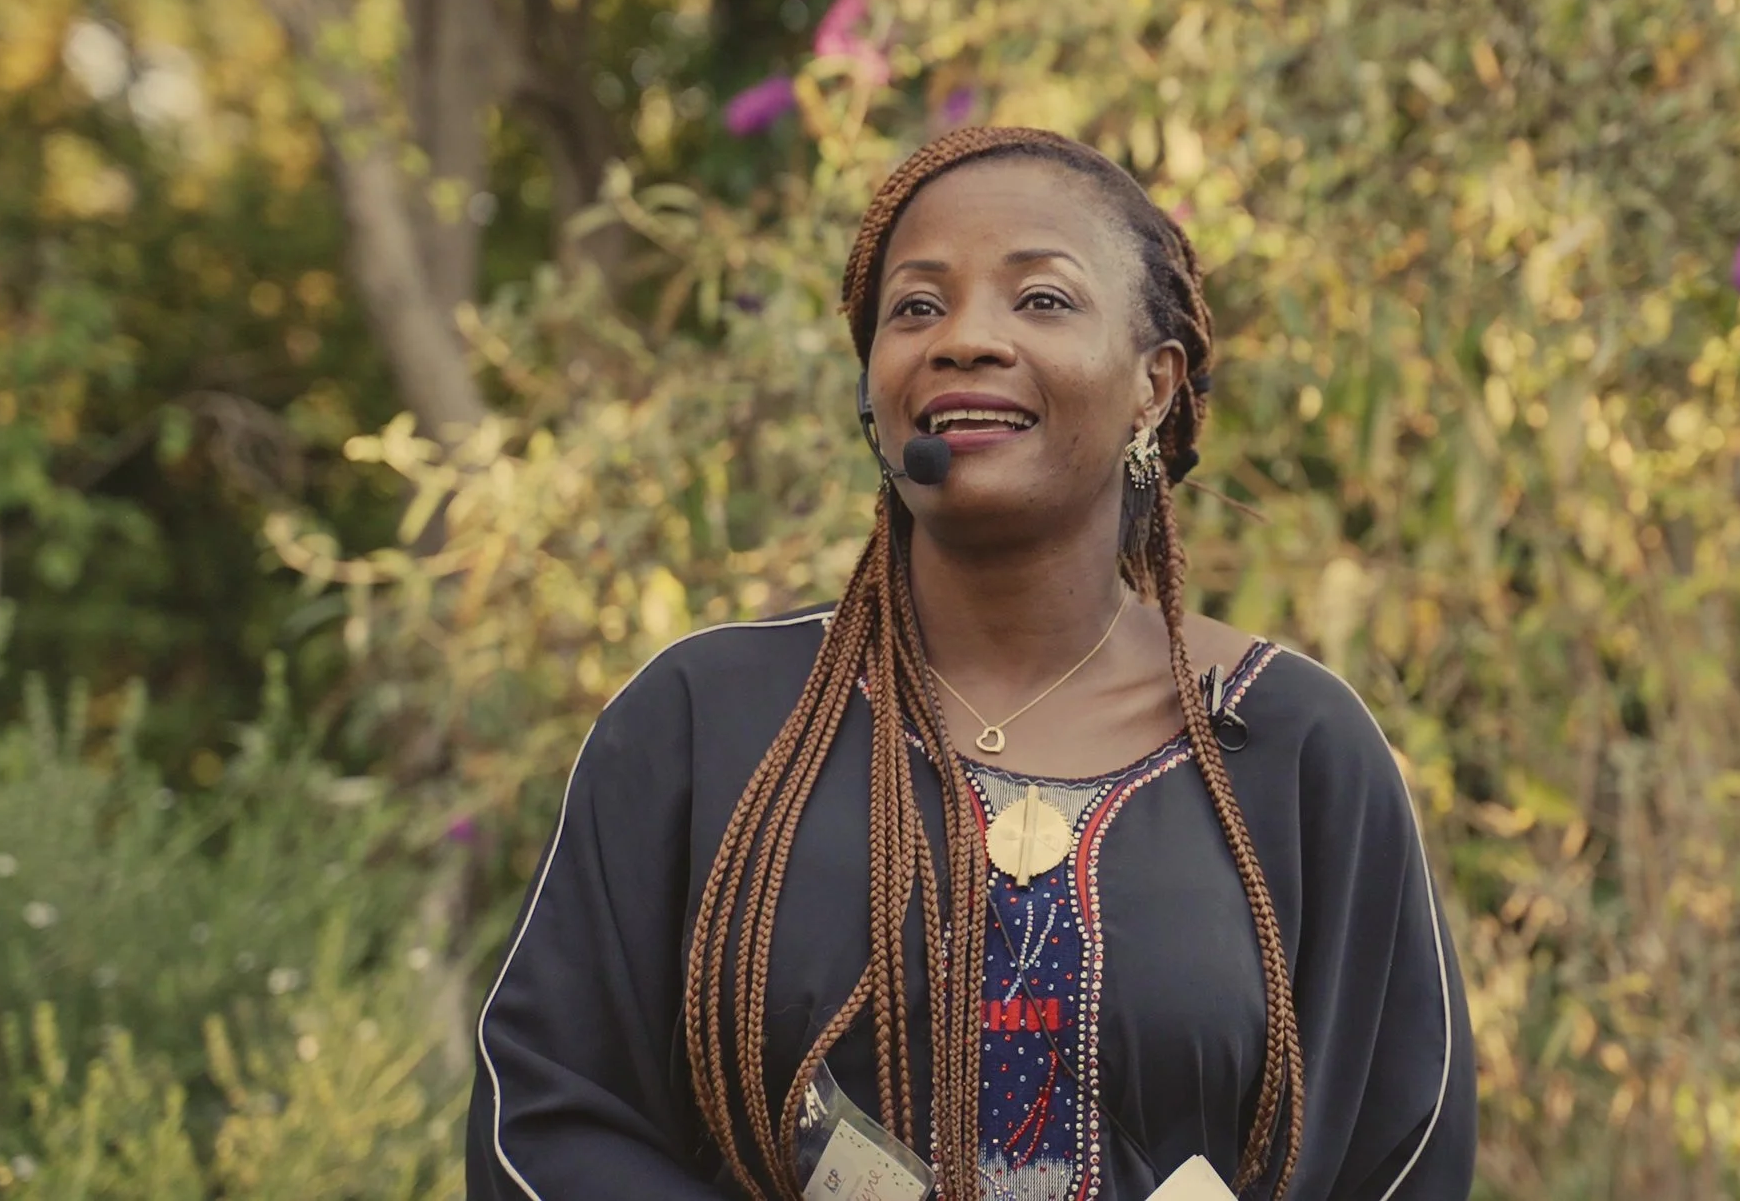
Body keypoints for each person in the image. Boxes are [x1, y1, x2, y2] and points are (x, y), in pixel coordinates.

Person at [468, 126, 1474, 1201]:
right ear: (873, 387)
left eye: (1041, 299)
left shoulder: (1294, 746)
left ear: (1153, 385)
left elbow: (1399, 1150)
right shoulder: (704, 721)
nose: (965, 339)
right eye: (916, 307)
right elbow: (545, 1117)